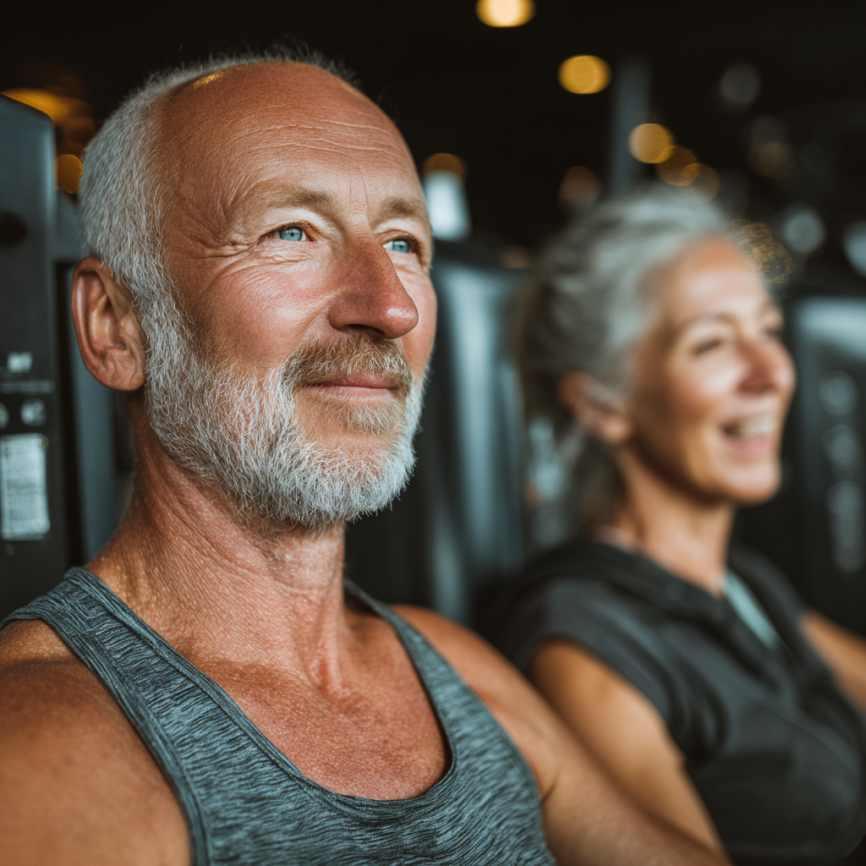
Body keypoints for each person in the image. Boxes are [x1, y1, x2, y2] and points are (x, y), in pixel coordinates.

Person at [0, 52, 731, 866]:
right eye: (291, 233)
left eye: (404, 243)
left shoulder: (456, 669)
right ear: (116, 325)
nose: (389, 305)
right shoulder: (41, 747)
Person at [496, 185, 866, 865]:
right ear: (602, 404)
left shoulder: (743, 581)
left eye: (768, 330)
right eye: (712, 343)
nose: (772, 372)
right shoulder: (584, 650)